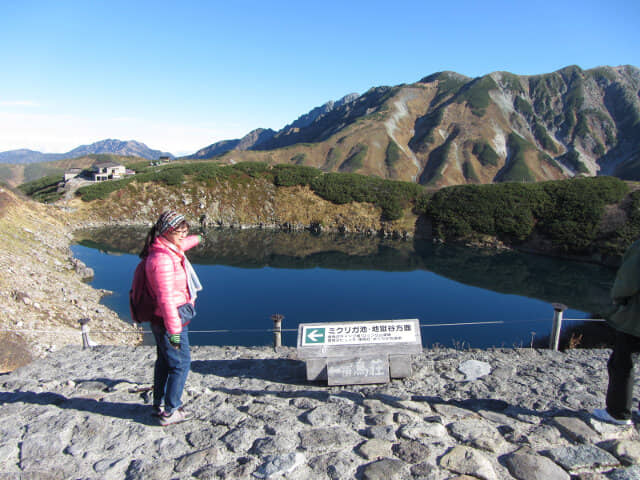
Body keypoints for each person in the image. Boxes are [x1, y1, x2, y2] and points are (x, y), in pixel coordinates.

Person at [140, 210, 202, 426]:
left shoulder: (166, 248)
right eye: (180, 231)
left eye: (186, 231)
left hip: (164, 320)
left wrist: (199, 238)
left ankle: (159, 404)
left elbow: (184, 244)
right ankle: (170, 410)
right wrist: (175, 333)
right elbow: (166, 299)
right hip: (171, 320)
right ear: (167, 231)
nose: (184, 235)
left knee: (165, 361)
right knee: (181, 363)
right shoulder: (162, 260)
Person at [593, 239, 640, 425]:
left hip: (636, 318)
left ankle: (618, 413)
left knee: (622, 363)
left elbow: (628, 280)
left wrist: (618, 298)